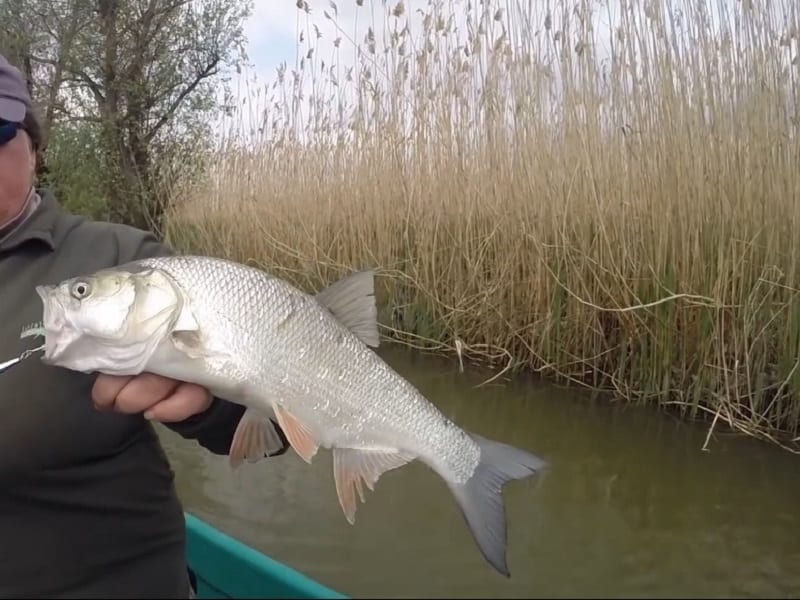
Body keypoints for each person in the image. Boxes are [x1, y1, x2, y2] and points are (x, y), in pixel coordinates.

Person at [0, 54, 286, 598]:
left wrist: (210, 403)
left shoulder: (121, 258)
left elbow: (255, 432)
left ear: (33, 150)